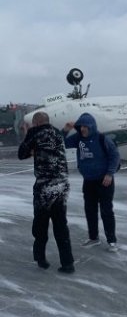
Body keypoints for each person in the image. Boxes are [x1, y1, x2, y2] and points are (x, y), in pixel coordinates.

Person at [18, 112, 75, 273]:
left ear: (35, 123)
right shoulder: (57, 133)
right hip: (62, 185)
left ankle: (40, 259)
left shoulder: (35, 133)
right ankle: (68, 263)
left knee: (41, 225)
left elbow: (21, 154)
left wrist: (26, 134)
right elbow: (53, 143)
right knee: (61, 225)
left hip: (44, 187)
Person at [63, 113, 121, 252]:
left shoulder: (102, 139)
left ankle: (112, 241)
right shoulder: (78, 138)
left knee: (106, 211)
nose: (82, 129)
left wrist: (109, 173)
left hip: (104, 181)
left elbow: (115, 156)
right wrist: (65, 130)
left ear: (91, 126)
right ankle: (93, 237)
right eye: (80, 126)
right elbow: (61, 143)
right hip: (88, 181)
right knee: (90, 210)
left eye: (85, 126)